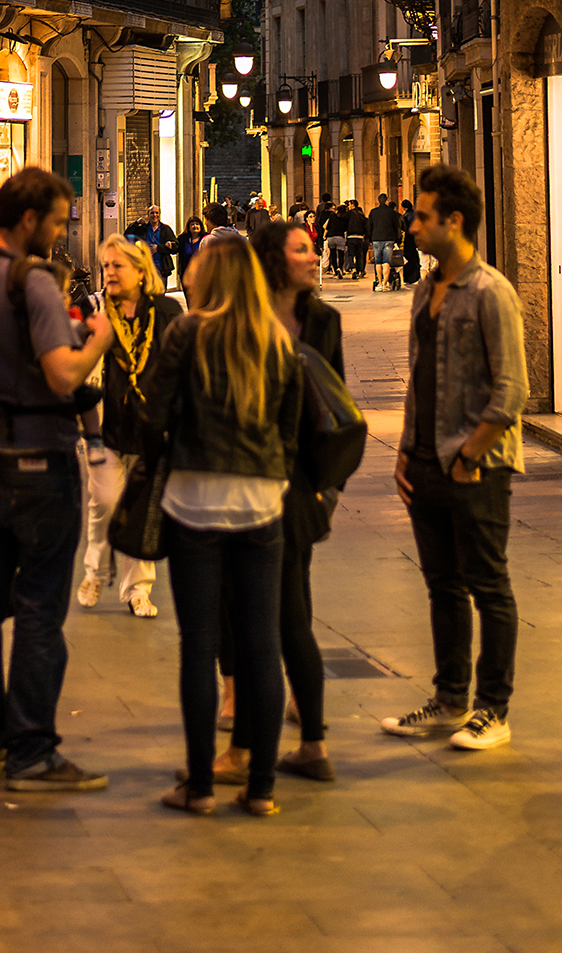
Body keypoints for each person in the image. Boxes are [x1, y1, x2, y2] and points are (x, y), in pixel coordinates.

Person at [0, 166, 115, 793]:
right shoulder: (33, 283)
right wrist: (100, 343)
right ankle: (31, 749)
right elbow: (63, 376)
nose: (62, 236)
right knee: (39, 608)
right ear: (29, 220)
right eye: (58, 222)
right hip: (43, 462)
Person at [146, 231, 304, 817]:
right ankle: (261, 788)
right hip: (262, 499)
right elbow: (290, 424)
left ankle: (201, 787)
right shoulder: (276, 337)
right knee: (262, 643)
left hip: (194, 501)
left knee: (200, 644)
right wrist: (277, 472)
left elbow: (152, 413)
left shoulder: (188, 331)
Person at [383, 165, 528, 753]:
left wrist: (469, 456)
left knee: (487, 583)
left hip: (476, 466)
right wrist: (404, 451)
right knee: (442, 584)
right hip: (423, 461)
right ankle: (450, 699)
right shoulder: (425, 288)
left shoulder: (491, 292)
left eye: (421, 216)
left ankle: (493, 709)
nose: (412, 225)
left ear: (454, 220)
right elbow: (420, 381)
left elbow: (512, 389)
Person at [213, 218, 345, 788]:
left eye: (313, 249)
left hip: (291, 483)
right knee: (261, 615)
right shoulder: (247, 314)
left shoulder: (323, 320)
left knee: (284, 616)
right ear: (273, 259)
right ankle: (269, 739)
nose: (314, 257)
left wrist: (326, 486)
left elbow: (335, 407)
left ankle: (284, 747)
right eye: (301, 250)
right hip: (247, 476)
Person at [77, 233, 182, 617]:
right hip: (106, 425)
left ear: (140, 271)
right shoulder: (94, 310)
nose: (109, 273)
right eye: (105, 266)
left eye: (117, 265)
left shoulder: (166, 312)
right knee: (103, 502)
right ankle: (94, 570)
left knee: (140, 509)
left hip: (150, 427)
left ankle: (137, 590)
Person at [370, 195, 398, 289]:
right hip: (389, 238)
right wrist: (396, 238)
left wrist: (371, 238)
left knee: (378, 262)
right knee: (386, 261)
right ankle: (385, 284)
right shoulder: (391, 212)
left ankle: (379, 283)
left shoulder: (373, 212)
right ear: (386, 201)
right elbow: (396, 226)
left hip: (376, 238)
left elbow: (369, 226)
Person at [175, 215, 207, 281]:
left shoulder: (207, 238)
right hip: (186, 274)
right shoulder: (183, 239)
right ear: (188, 227)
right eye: (192, 224)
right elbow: (174, 249)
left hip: (202, 273)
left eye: (197, 224)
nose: (195, 226)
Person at [345, 202, 369, 280]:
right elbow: (366, 225)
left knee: (351, 254)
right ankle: (360, 270)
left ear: (352, 205)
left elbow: (344, 223)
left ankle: (353, 269)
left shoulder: (348, 214)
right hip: (360, 237)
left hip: (351, 236)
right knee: (359, 255)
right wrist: (365, 235)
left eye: (349, 205)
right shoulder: (361, 214)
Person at [400, 199, 422, 286]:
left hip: (408, 239)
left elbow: (404, 228)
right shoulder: (416, 214)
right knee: (416, 258)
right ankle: (416, 276)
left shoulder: (405, 216)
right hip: (416, 238)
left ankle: (409, 277)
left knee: (408, 258)